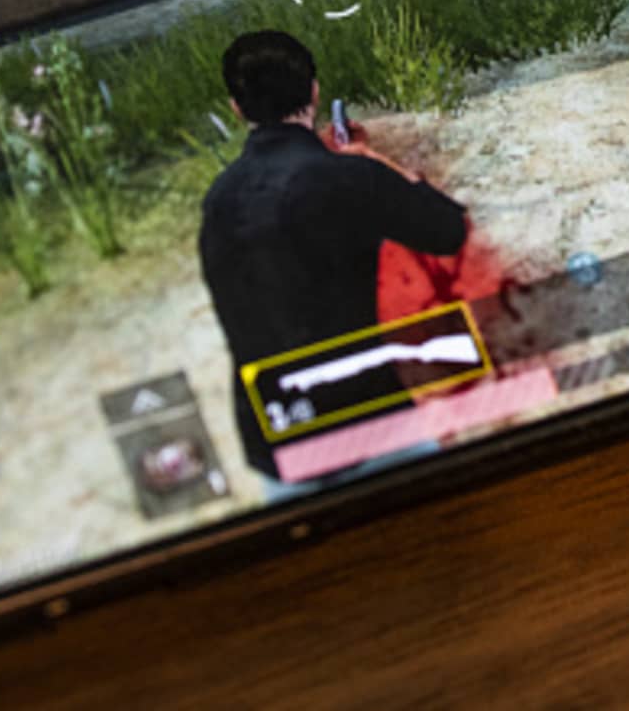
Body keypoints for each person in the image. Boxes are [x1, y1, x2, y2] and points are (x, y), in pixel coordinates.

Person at [198, 31, 469, 501]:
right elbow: (448, 230)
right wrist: (373, 162)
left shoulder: (218, 199)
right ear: (315, 91)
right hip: (367, 422)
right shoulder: (348, 176)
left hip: (279, 439)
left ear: (236, 109)